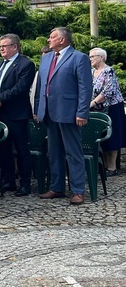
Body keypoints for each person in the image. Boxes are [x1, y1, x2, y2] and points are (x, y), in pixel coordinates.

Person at [33, 27, 91, 205]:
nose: (48, 40)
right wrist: (37, 109)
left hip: (69, 112)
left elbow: (85, 87)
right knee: (54, 152)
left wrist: (82, 112)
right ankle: (56, 187)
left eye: (52, 37)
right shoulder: (47, 58)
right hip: (49, 112)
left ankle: (78, 190)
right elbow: (41, 86)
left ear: (63, 40)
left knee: (73, 152)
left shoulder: (79, 58)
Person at [0, 34, 35, 196]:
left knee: (21, 149)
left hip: (16, 114)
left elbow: (21, 87)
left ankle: (25, 183)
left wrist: (1, 98)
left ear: (15, 47)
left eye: (4, 46)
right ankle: (8, 181)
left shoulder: (25, 64)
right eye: (0, 46)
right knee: (3, 149)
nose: (1, 49)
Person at [89, 48, 126, 176]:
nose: (90, 59)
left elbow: (108, 92)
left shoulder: (108, 71)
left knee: (113, 135)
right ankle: (103, 165)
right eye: (90, 56)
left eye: (93, 56)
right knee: (101, 135)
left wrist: (92, 103)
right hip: (97, 108)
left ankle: (112, 167)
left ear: (101, 57)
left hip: (112, 107)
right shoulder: (92, 71)